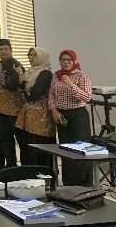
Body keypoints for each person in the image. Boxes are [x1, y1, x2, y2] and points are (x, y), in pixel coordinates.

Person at [49, 49, 93, 186]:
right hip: (62, 115)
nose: (66, 62)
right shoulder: (56, 75)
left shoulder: (82, 76)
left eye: (69, 60)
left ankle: (83, 184)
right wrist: (54, 110)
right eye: (63, 60)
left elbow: (87, 97)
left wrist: (71, 85)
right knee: (66, 148)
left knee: (80, 149)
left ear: (74, 61)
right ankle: (68, 182)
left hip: (78, 115)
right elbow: (51, 93)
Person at [15, 47, 56, 167]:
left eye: (34, 55)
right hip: (28, 113)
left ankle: (41, 172)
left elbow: (34, 94)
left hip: (41, 116)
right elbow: (22, 91)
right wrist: (21, 78)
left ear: (42, 57)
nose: (31, 57)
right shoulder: (29, 72)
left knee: (38, 144)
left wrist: (23, 89)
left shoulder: (46, 73)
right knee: (27, 143)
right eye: (29, 55)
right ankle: (28, 170)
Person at [0, 39, 24, 168]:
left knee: (20, 139)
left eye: (6, 49)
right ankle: (10, 165)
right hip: (1, 108)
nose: (3, 51)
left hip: (14, 109)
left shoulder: (16, 65)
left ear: (11, 50)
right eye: (1, 49)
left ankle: (24, 166)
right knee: (5, 139)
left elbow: (14, 85)